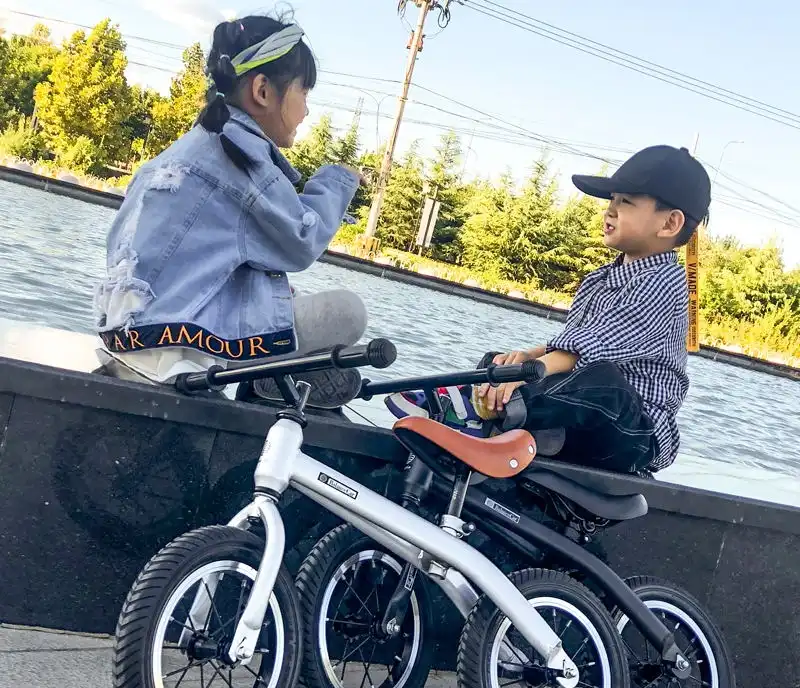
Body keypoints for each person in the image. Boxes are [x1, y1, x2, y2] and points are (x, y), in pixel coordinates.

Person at [94, 14, 368, 408]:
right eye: (304, 93)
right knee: (348, 313)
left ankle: (276, 371)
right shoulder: (241, 156)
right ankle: (267, 380)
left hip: (123, 337)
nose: (307, 110)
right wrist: (337, 181)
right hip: (172, 358)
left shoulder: (191, 147)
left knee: (279, 291)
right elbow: (302, 241)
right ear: (262, 91)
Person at [388, 145, 711, 475]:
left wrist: (526, 373)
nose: (610, 211)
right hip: (583, 420)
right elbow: (570, 343)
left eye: (625, 202)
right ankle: (497, 415)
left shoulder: (665, 283)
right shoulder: (600, 279)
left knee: (603, 385)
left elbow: (588, 352)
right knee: (501, 361)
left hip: (634, 432)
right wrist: (522, 359)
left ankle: (480, 412)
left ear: (670, 223)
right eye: (610, 201)